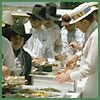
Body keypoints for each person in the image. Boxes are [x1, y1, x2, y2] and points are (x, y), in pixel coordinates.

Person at [55, 3, 98, 98]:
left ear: (85, 22)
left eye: (77, 25)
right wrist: (77, 55)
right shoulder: (92, 33)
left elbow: (89, 67)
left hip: (94, 87)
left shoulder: (96, 35)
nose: (77, 28)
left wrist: (69, 76)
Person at [3, 20, 32, 85]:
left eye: (21, 38)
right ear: (11, 38)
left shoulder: (27, 57)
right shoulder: (4, 53)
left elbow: (27, 77)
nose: (18, 41)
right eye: (15, 38)